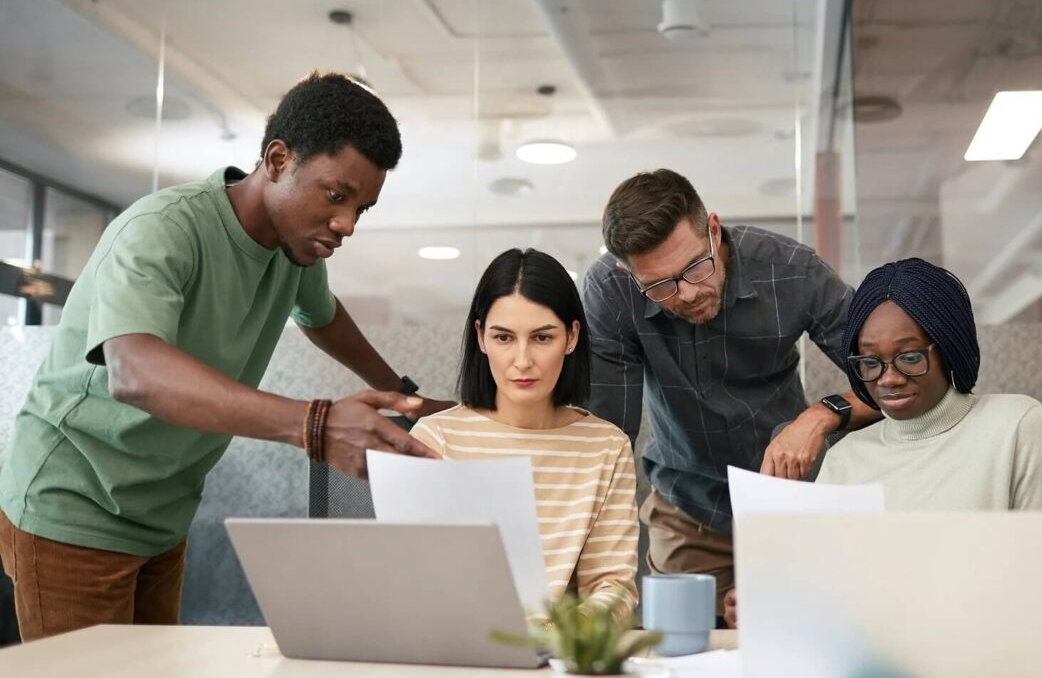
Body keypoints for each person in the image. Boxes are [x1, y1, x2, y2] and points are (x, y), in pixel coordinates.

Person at [0, 72, 451, 641]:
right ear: (279, 159)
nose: (346, 224)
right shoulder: (163, 229)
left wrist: (407, 398)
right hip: (73, 505)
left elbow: (324, 317)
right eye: (337, 196)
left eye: (363, 208)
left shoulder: (296, 253)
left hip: (163, 514)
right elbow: (134, 371)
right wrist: (314, 424)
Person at [583, 169, 880, 624]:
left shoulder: (792, 271)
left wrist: (822, 415)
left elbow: (890, 379)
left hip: (791, 504)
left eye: (696, 267)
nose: (686, 294)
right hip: (687, 506)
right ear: (628, 271)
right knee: (683, 655)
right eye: (660, 286)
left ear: (713, 229)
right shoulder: (611, 288)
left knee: (806, 640)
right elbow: (608, 436)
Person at [412, 248, 638, 617]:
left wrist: (557, 641)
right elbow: (415, 582)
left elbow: (612, 590)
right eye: (503, 338)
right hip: (457, 650)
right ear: (481, 337)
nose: (522, 360)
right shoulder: (436, 439)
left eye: (542, 338)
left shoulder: (606, 447)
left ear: (571, 337)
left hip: (558, 658)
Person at [814, 257, 1042, 509]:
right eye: (871, 363)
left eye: (910, 357)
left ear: (949, 350)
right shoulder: (843, 460)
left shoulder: (1016, 427)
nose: (889, 378)